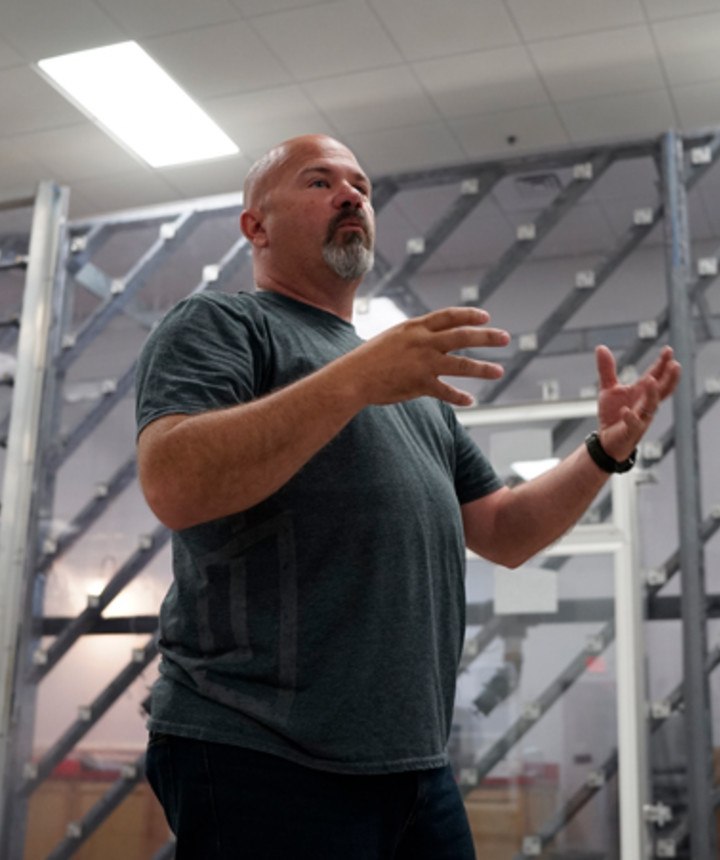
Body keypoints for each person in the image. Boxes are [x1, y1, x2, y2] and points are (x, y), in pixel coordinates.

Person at [135, 134, 681, 860]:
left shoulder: (410, 390)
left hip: (412, 767)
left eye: (359, 184)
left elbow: (505, 531)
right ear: (255, 227)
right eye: (319, 181)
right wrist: (359, 377)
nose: (351, 194)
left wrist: (603, 452)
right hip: (260, 752)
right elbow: (175, 483)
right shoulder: (226, 326)